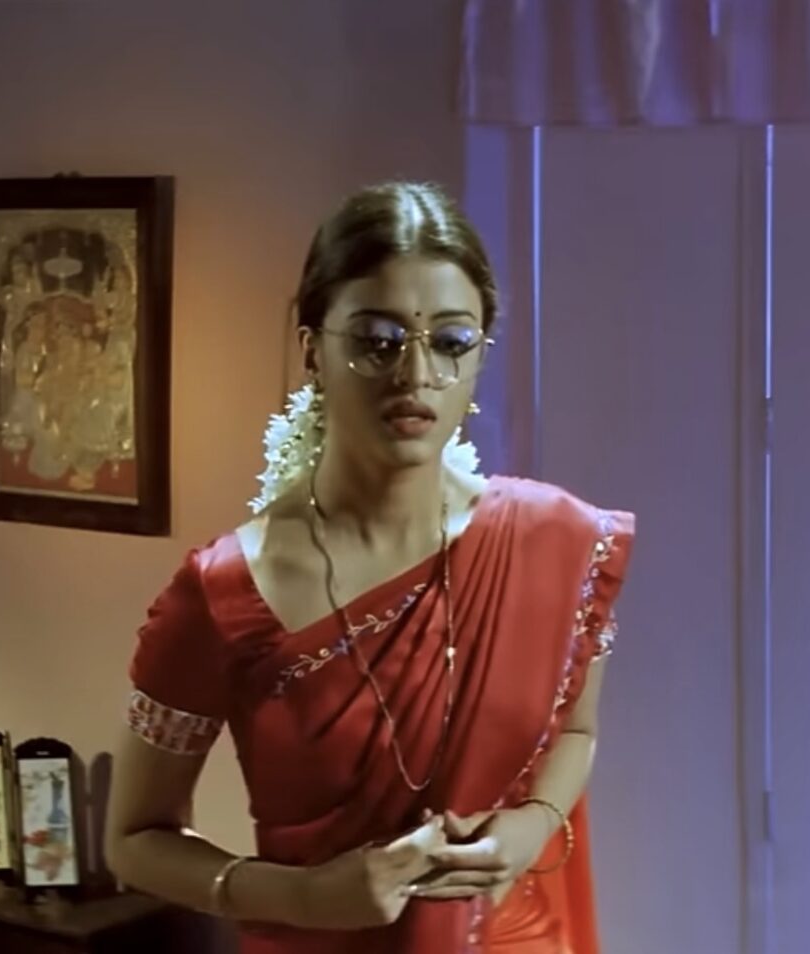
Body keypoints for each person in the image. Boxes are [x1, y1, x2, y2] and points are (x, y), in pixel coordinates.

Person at [105, 182, 635, 953]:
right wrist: (302, 895)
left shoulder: (556, 542)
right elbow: (134, 839)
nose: (416, 374)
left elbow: (577, 729)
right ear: (312, 349)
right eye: (379, 339)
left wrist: (532, 826)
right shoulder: (226, 592)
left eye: (451, 341)